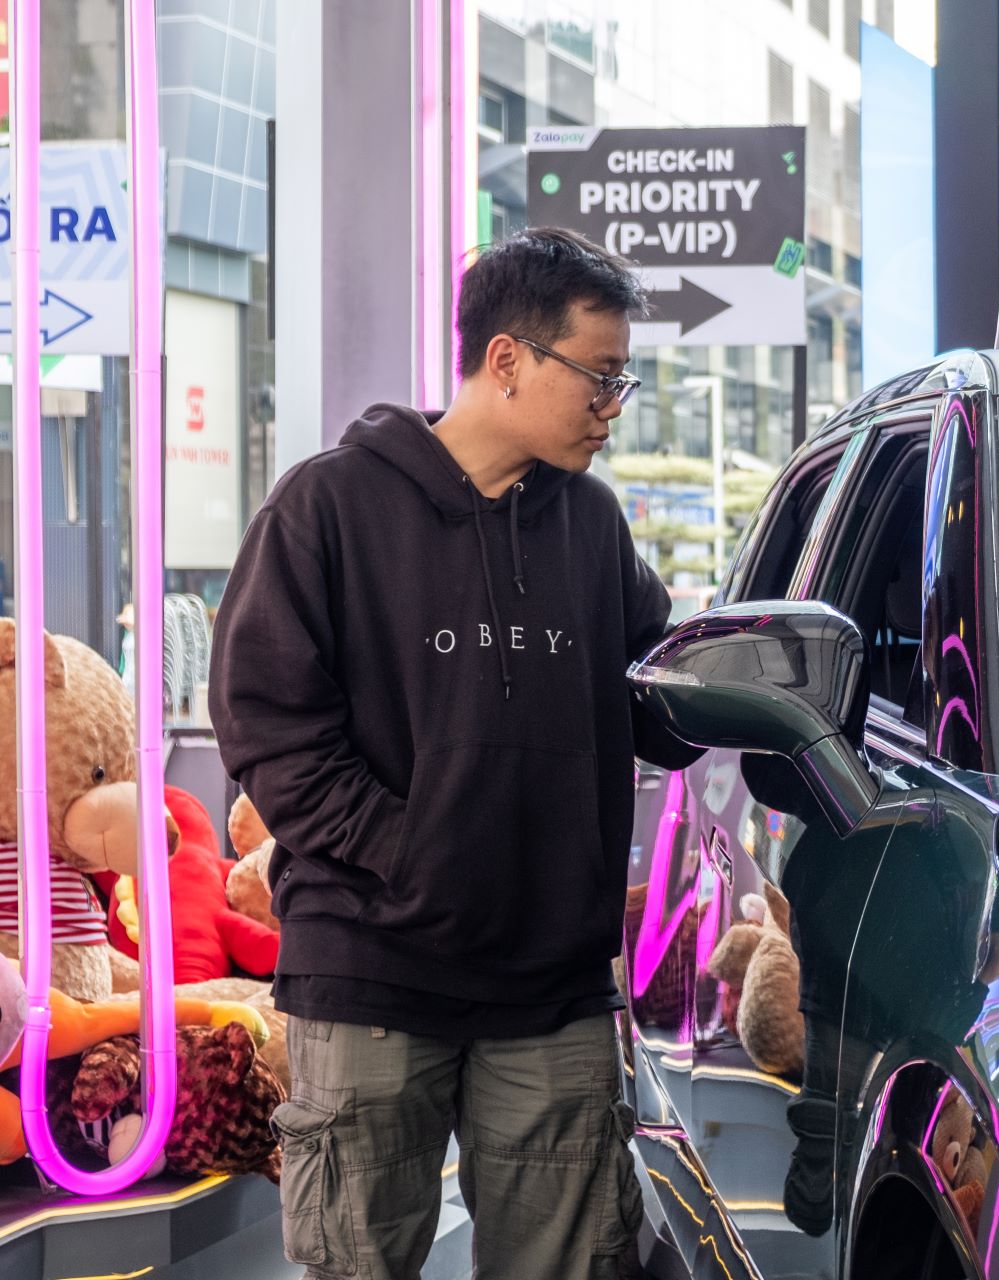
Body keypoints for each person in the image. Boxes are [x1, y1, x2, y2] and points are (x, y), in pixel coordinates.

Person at [209, 227, 698, 1279]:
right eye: (600, 376)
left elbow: (657, 698)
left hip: (553, 984)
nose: (613, 406)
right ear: (508, 358)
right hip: (371, 971)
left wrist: (754, 681)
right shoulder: (327, 506)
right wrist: (409, 849)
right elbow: (266, 722)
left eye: (622, 380)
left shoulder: (592, 524)